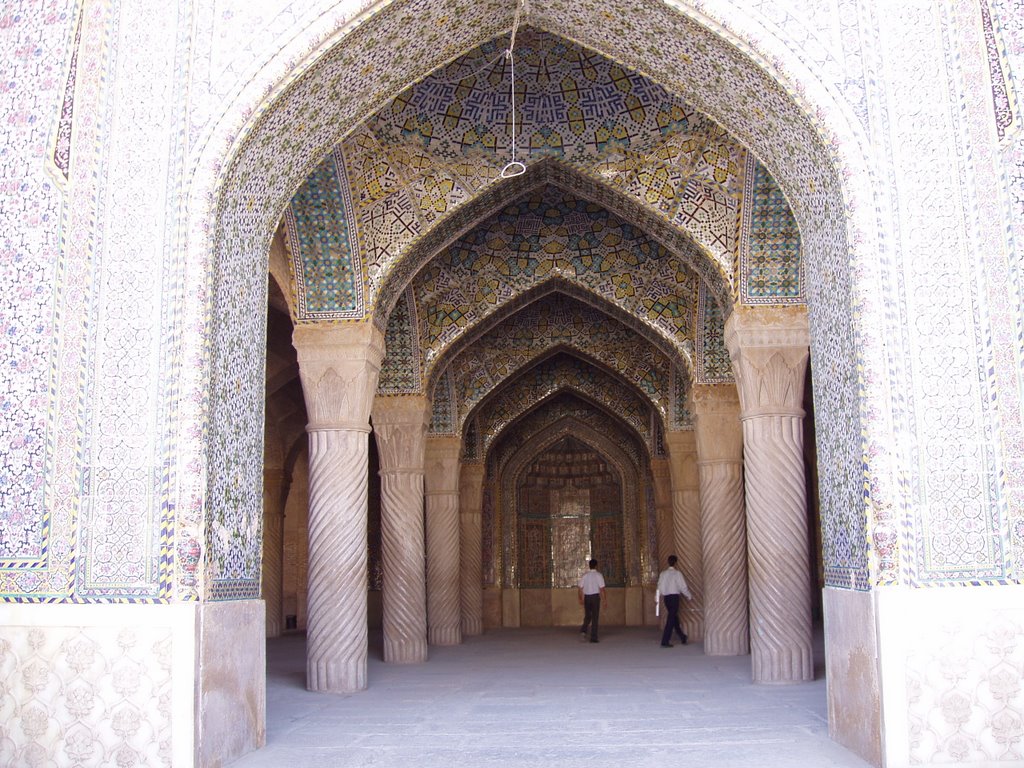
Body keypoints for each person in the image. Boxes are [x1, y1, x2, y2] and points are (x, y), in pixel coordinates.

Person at [656, 554, 691, 647]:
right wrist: (689, 595)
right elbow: (682, 586)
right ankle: (665, 641)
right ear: (676, 563)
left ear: (668, 562)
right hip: (674, 598)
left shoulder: (663, 574)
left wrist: (657, 597)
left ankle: (682, 637)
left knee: (674, 617)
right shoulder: (677, 574)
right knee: (671, 619)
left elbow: (659, 586)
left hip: (666, 598)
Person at [577, 558, 606, 643]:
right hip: (595, 598)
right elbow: (602, 589)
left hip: (587, 598)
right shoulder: (599, 575)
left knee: (588, 616)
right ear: (596, 566)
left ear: (589, 566)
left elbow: (580, 588)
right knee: (595, 617)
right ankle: (593, 637)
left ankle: (583, 631)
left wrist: (581, 598)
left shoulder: (585, 575)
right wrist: (604, 600)